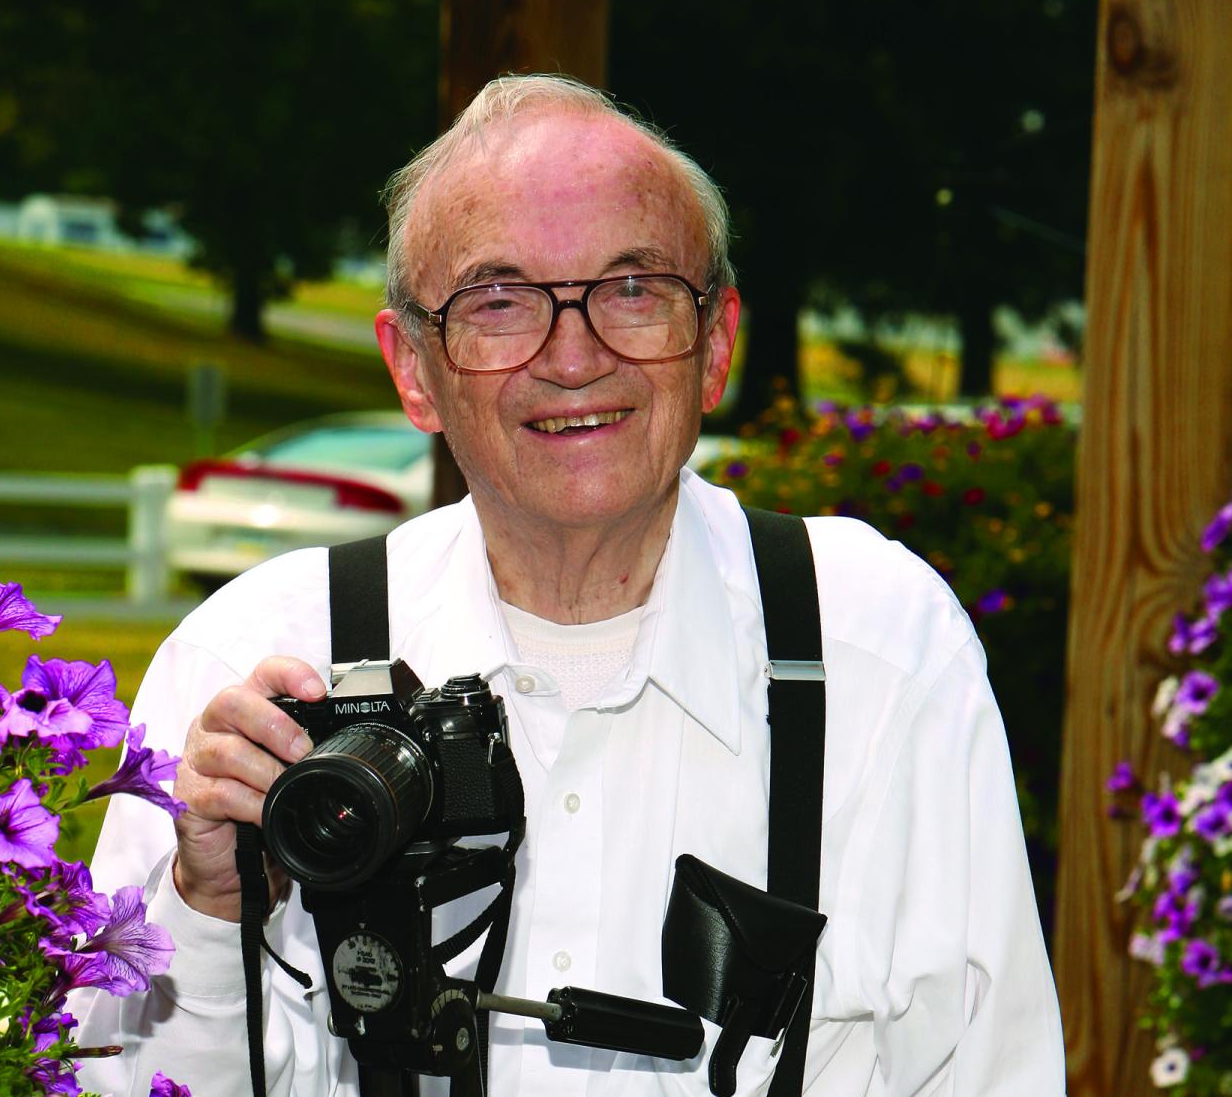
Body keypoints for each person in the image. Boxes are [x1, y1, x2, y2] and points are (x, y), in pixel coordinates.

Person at [75, 75, 1065, 1096]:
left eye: (632, 288)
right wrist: (208, 908)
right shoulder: (250, 664)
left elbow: (993, 1070)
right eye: (498, 300)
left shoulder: (879, 648)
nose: (575, 353)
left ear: (716, 342)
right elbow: (109, 1078)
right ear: (414, 367)